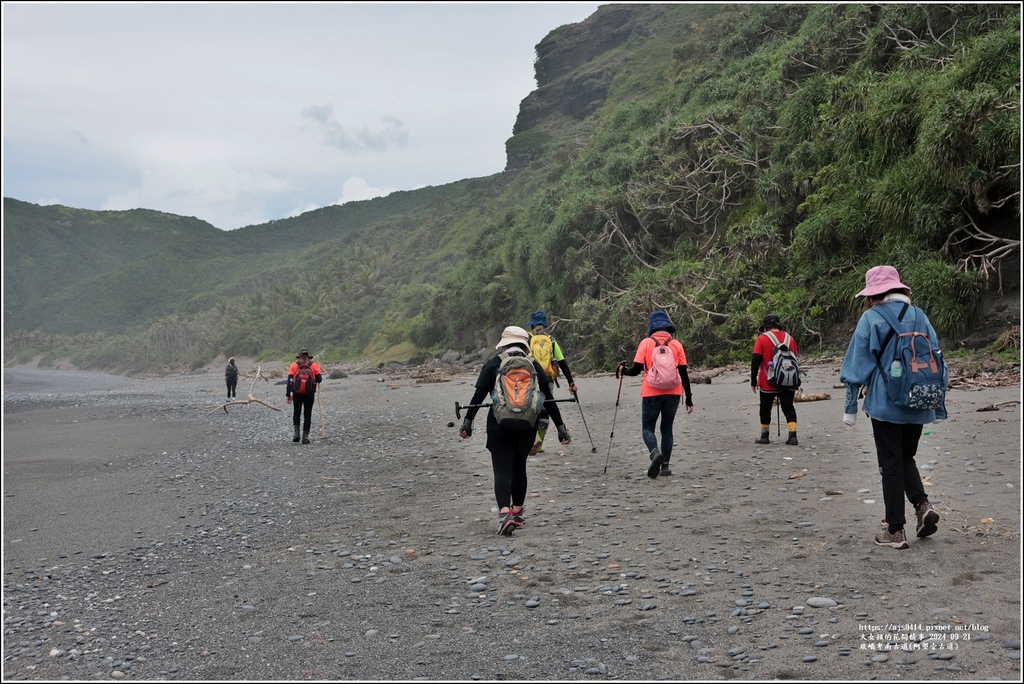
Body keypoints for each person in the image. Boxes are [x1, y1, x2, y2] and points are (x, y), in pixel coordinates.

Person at [840, 265, 945, 550]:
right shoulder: (920, 315)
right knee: (905, 456)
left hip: (886, 404)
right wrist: (937, 403)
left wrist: (850, 407)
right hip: (920, 399)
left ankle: (895, 531)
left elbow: (856, 365)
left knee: (890, 463)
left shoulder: (871, 318)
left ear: (873, 294)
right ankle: (923, 505)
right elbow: (937, 358)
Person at [459, 325, 571, 536]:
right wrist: (561, 428)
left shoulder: (494, 364)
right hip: (528, 425)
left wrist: (467, 423)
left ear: (504, 344)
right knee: (519, 467)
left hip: (498, 425)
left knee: (501, 470)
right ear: (524, 344)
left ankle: (505, 514)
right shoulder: (534, 366)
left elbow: (477, 398)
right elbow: (549, 400)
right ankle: (517, 513)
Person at [617, 311, 694, 479]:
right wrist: (689, 398)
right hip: (673, 393)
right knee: (667, 429)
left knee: (647, 429)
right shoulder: (676, 345)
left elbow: (636, 370)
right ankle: (665, 466)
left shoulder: (645, 343)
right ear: (668, 327)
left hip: (651, 392)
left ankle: (654, 453)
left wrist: (623, 371)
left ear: (651, 327)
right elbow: (684, 373)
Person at [526, 311, 578, 456]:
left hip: (529, 379)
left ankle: (530, 441)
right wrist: (571, 382)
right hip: (547, 379)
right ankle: (539, 441)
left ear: (532, 325)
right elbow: (562, 363)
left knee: (530, 408)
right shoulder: (551, 341)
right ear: (545, 326)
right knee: (545, 407)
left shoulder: (527, 339)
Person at [751, 314, 799, 445]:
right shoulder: (790, 339)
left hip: (768, 381)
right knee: (788, 407)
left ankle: (765, 436)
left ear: (765, 327)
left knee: (765, 408)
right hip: (788, 379)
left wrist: (753, 381)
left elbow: (756, 360)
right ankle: (792, 436)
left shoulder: (762, 339)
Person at [286, 348, 322, 444]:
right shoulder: (313, 365)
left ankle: (296, 434)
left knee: (296, 413)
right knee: (307, 415)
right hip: (309, 395)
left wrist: (288, 394)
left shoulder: (294, 365)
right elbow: (319, 379)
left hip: (297, 394)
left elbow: (289, 381)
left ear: (299, 357)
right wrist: (318, 369)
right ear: (309, 357)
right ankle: (305, 437)